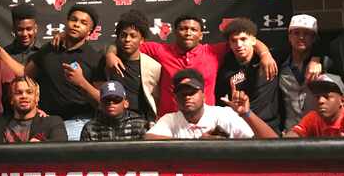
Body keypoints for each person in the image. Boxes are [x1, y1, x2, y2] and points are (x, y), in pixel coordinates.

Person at [106, 15, 287, 118]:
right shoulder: (160, 50)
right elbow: (128, 43)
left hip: (206, 121)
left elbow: (244, 39)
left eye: (193, 29)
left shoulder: (213, 51)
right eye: (183, 28)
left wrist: (264, 54)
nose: (188, 32)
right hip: (170, 121)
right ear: (175, 33)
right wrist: (111, 54)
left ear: (201, 35)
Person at [0, 4, 103, 140]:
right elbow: (25, 74)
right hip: (46, 120)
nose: (76, 24)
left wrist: (81, 82)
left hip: (78, 121)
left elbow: (102, 101)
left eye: (83, 23)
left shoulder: (95, 58)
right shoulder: (49, 49)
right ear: (66, 22)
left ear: (90, 31)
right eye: (73, 20)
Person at [145, 68, 277, 140]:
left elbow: (272, 142)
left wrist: (246, 114)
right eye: (182, 93)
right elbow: (149, 138)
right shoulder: (171, 119)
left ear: (203, 95)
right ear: (175, 99)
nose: (187, 97)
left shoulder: (223, 114)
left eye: (192, 92)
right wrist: (198, 144)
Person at [215, 18, 282, 134]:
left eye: (243, 39)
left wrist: (265, 54)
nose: (239, 45)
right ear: (229, 44)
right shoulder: (225, 70)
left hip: (269, 126)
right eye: (234, 41)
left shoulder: (272, 59)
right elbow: (221, 102)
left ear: (253, 40)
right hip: (241, 128)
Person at [94, 9, 160, 124]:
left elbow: (155, 98)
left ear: (142, 40)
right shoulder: (106, 61)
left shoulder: (153, 66)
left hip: (140, 124)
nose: (127, 40)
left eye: (133, 36)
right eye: (123, 35)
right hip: (109, 122)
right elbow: (98, 91)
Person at [0, 76, 67, 143]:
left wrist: (42, 145)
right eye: (18, 93)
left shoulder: (53, 123)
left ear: (37, 98)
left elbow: (62, 151)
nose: (24, 96)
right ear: (11, 99)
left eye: (29, 92)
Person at [279, 14, 321, 131]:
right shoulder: (279, 65)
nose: (301, 37)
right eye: (296, 33)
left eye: (307, 33)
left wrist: (319, 58)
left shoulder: (326, 64)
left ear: (313, 38)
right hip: (290, 131)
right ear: (289, 36)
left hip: (319, 132)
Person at [80, 82, 149, 141]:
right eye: (106, 100)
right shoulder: (90, 128)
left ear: (126, 103)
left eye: (116, 99)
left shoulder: (141, 125)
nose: (111, 103)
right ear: (100, 104)